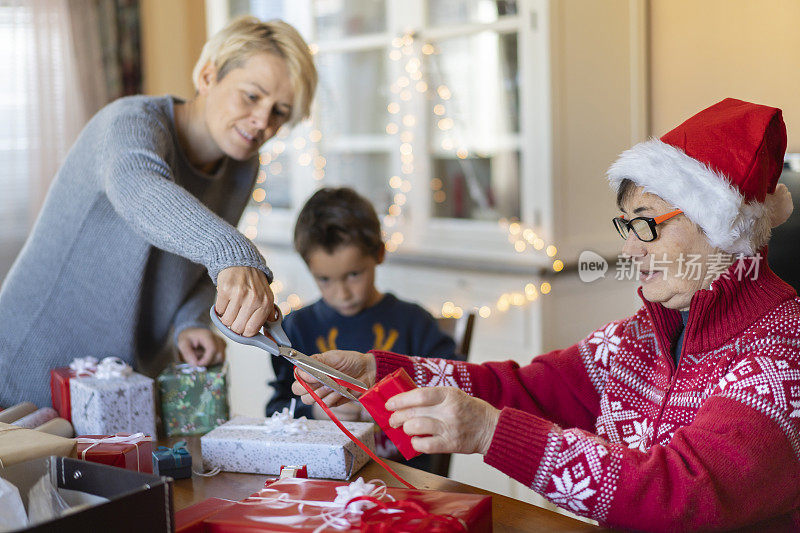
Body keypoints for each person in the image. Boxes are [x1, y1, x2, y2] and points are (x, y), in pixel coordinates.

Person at [292, 99, 800, 530]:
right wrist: (381, 374)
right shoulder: (639, 337)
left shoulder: (782, 359)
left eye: (646, 226)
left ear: (720, 230)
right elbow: (527, 389)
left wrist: (493, 433)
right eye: (627, 227)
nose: (632, 251)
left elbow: (681, 494)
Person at [0, 16, 317, 408]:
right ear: (207, 75)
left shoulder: (242, 166)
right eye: (251, 96)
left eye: (279, 112)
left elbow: (201, 269)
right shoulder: (130, 122)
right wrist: (235, 253)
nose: (262, 121)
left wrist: (190, 321)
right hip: (22, 376)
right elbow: (140, 189)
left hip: (116, 388)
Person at [267, 187, 457, 426]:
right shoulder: (295, 328)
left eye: (353, 275)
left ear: (379, 254)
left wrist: (396, 405)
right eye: (324, 279)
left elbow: (453, 390)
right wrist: (315, 413)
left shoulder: (414, 322)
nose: (342, 294)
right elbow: (276, 408)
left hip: (402, 462)